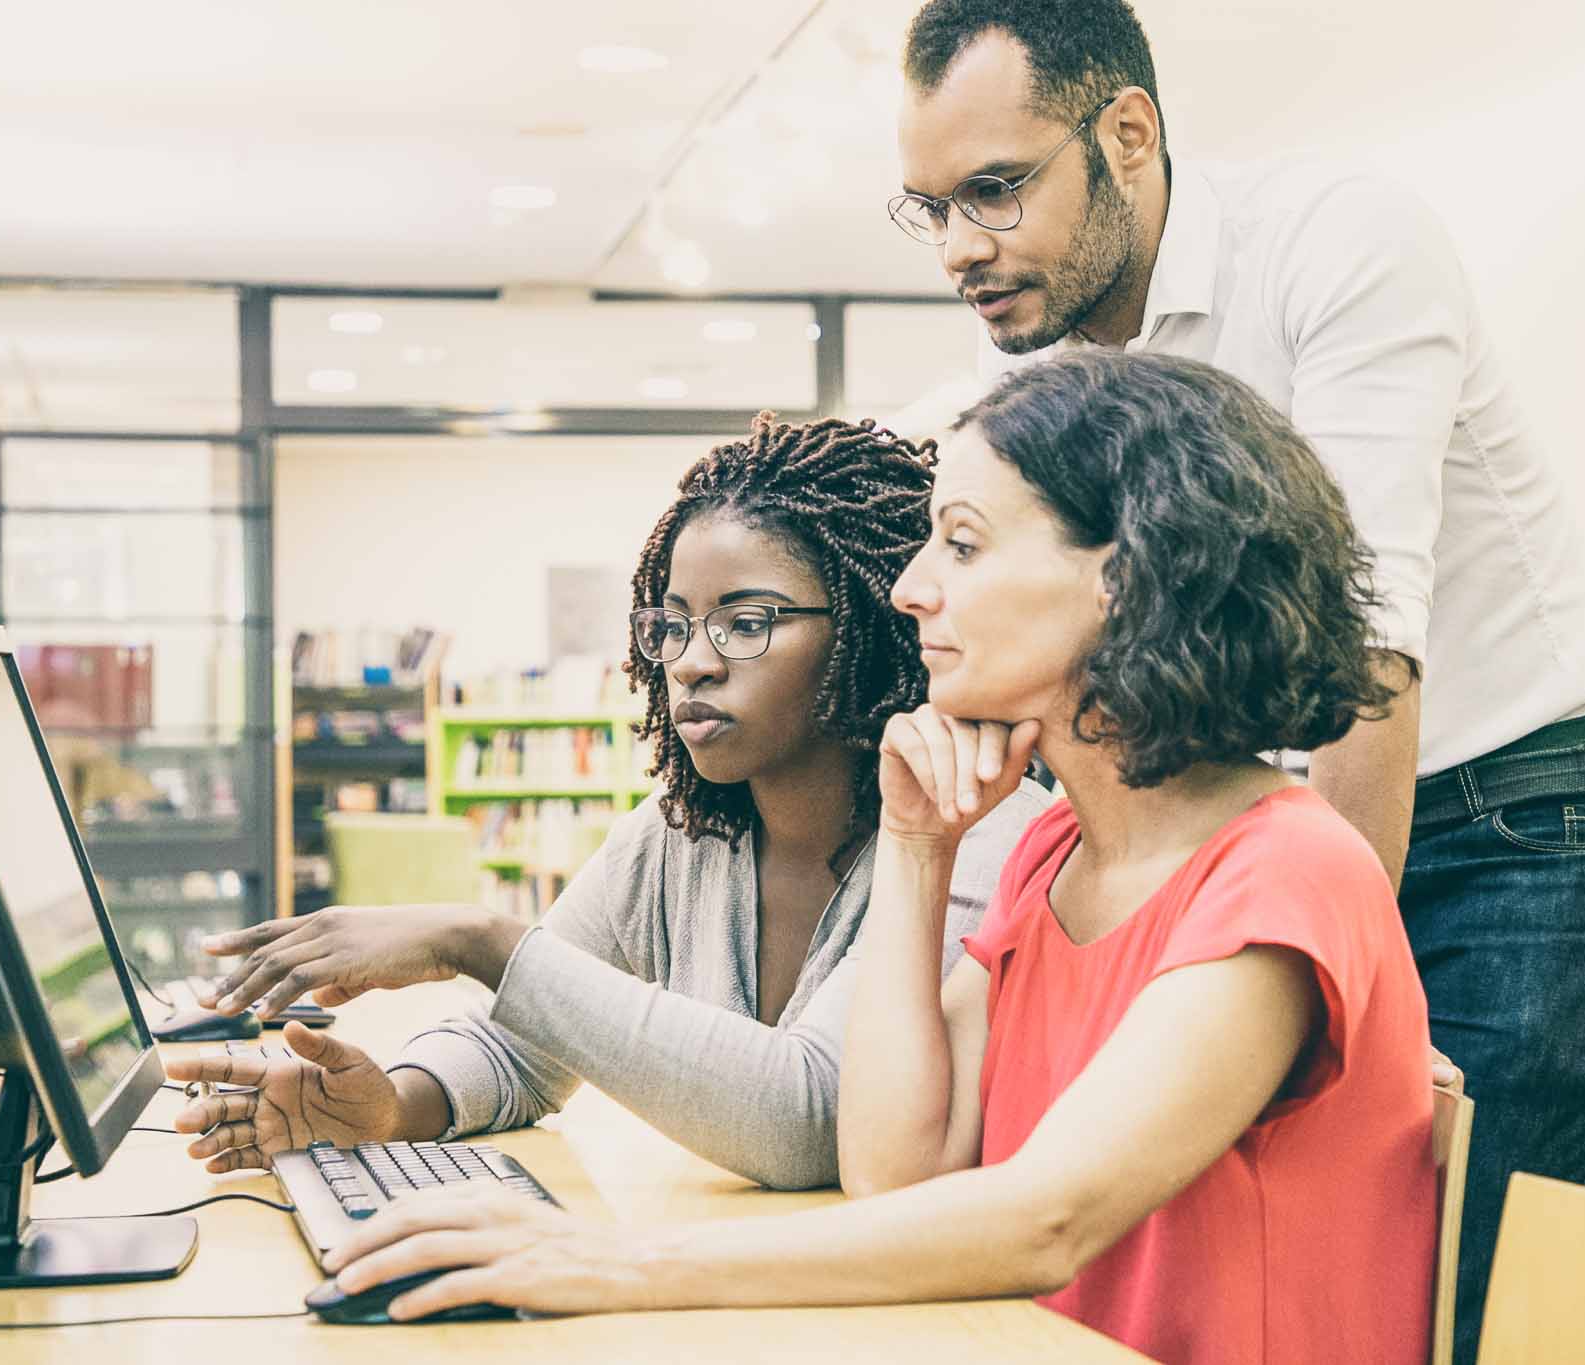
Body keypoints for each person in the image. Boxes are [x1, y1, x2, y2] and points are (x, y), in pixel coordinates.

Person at [313, 353, 1439, 1365]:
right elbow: (894, 1167)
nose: (909, 589)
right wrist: (912, 846)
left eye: (960, 543)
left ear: (1127, 577)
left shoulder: (1283, 870)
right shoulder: (1056, 852)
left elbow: (1047, 1216)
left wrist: (611, 1264)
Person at [887, 5, 1585, 1357]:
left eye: (997, 190)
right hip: (1273, 824)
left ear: (1127, 134)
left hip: (1528, 809)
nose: (965, 245)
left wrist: (1363, 1000)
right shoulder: (1039, 342)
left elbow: (1369, 657)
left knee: (1468, 1290)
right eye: (932, 208)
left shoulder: (1339, 240)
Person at [164, 414, 1049, 1189]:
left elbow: (811, 1118)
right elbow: (524, 1043)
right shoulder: (680, 833)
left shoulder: (974, 830)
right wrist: (390, 1106)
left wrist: (480, 939)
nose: (690, 661)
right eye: (670, 624)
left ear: (870, 630)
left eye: (746, 623)